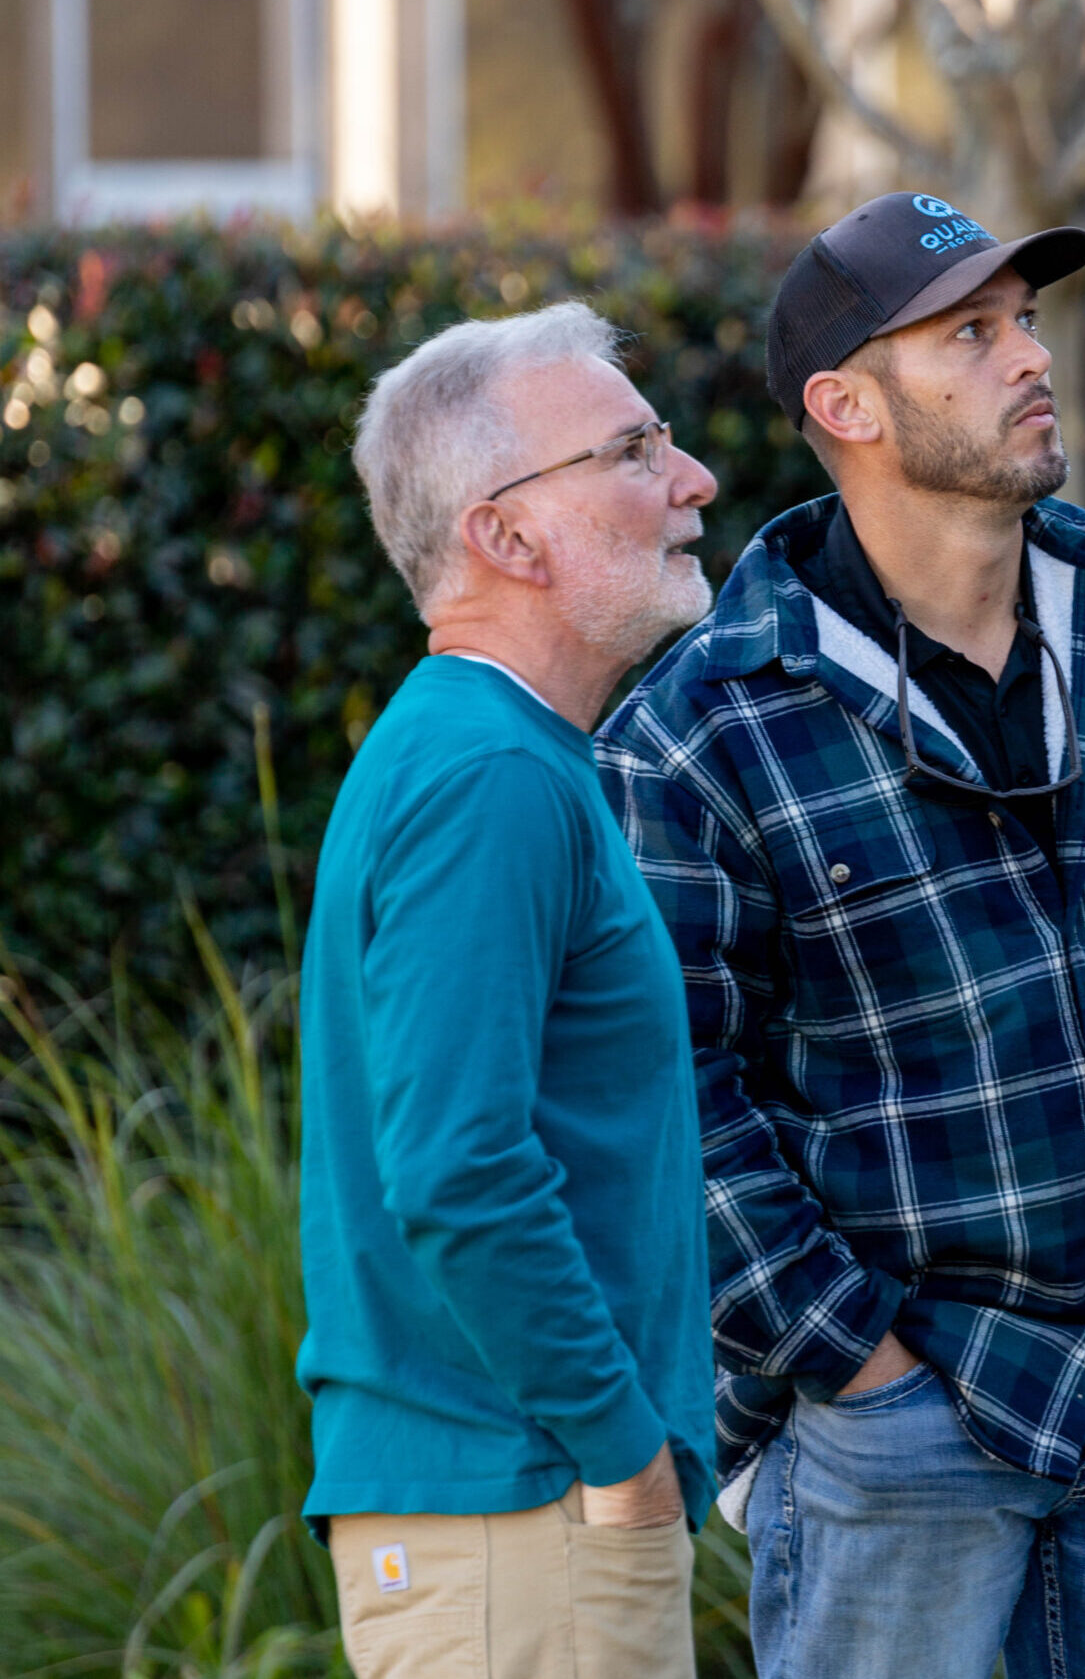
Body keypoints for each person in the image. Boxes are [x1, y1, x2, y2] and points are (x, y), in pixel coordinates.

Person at [596, 194, 1085, 1679]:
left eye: (1021, 319)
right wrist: (859, 1365)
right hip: (904, 1433)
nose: (1027, 355)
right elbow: (667, 1100)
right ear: (845, 404)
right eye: (968, 332)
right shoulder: (703, 729)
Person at [297, 301, 718, 1679]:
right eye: (633, 449)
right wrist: (625, 1453)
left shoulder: (498, 755)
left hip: (519, 1514)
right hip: (522, 1515)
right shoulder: (487, 776)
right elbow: (461, 1169)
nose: (691, 479)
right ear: (508, 533)